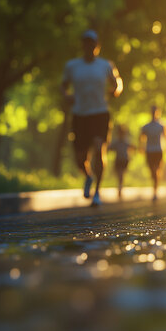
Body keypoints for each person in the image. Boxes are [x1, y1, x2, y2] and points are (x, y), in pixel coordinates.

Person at [61, 29, 123, 206]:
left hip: (100, 113)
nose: (89, 46)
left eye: (92, 43)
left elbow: (117, 83)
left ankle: (97, 192)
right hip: (80, 114)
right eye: (86, 43)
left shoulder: (105, 65)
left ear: (97, 46)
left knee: (99, 147)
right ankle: (88, 176)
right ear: (82, 45)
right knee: (80, 158)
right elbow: (63, 86)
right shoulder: (72, 66)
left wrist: (115, 91)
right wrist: (66, 95)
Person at [140, 105, 166, 201]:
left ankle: (155, 191)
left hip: (158, 150)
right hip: (149, 150)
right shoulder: (146, 126)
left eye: (155, 111)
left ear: (158, 112)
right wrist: (140, 147)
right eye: (152, 111)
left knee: (156, 169)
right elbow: (141, 137)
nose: (153, 113)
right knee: (152, 171)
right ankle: (155, 185)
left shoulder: (161, 125)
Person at [108, 125, 133, 200]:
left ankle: (120, 187)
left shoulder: (126, 141)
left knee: (121, 174)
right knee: (119, 174)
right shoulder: (116, 142)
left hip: (124, 160)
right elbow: (110, 148)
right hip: (118, 160)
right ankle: (120, 186)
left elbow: (132, 147)